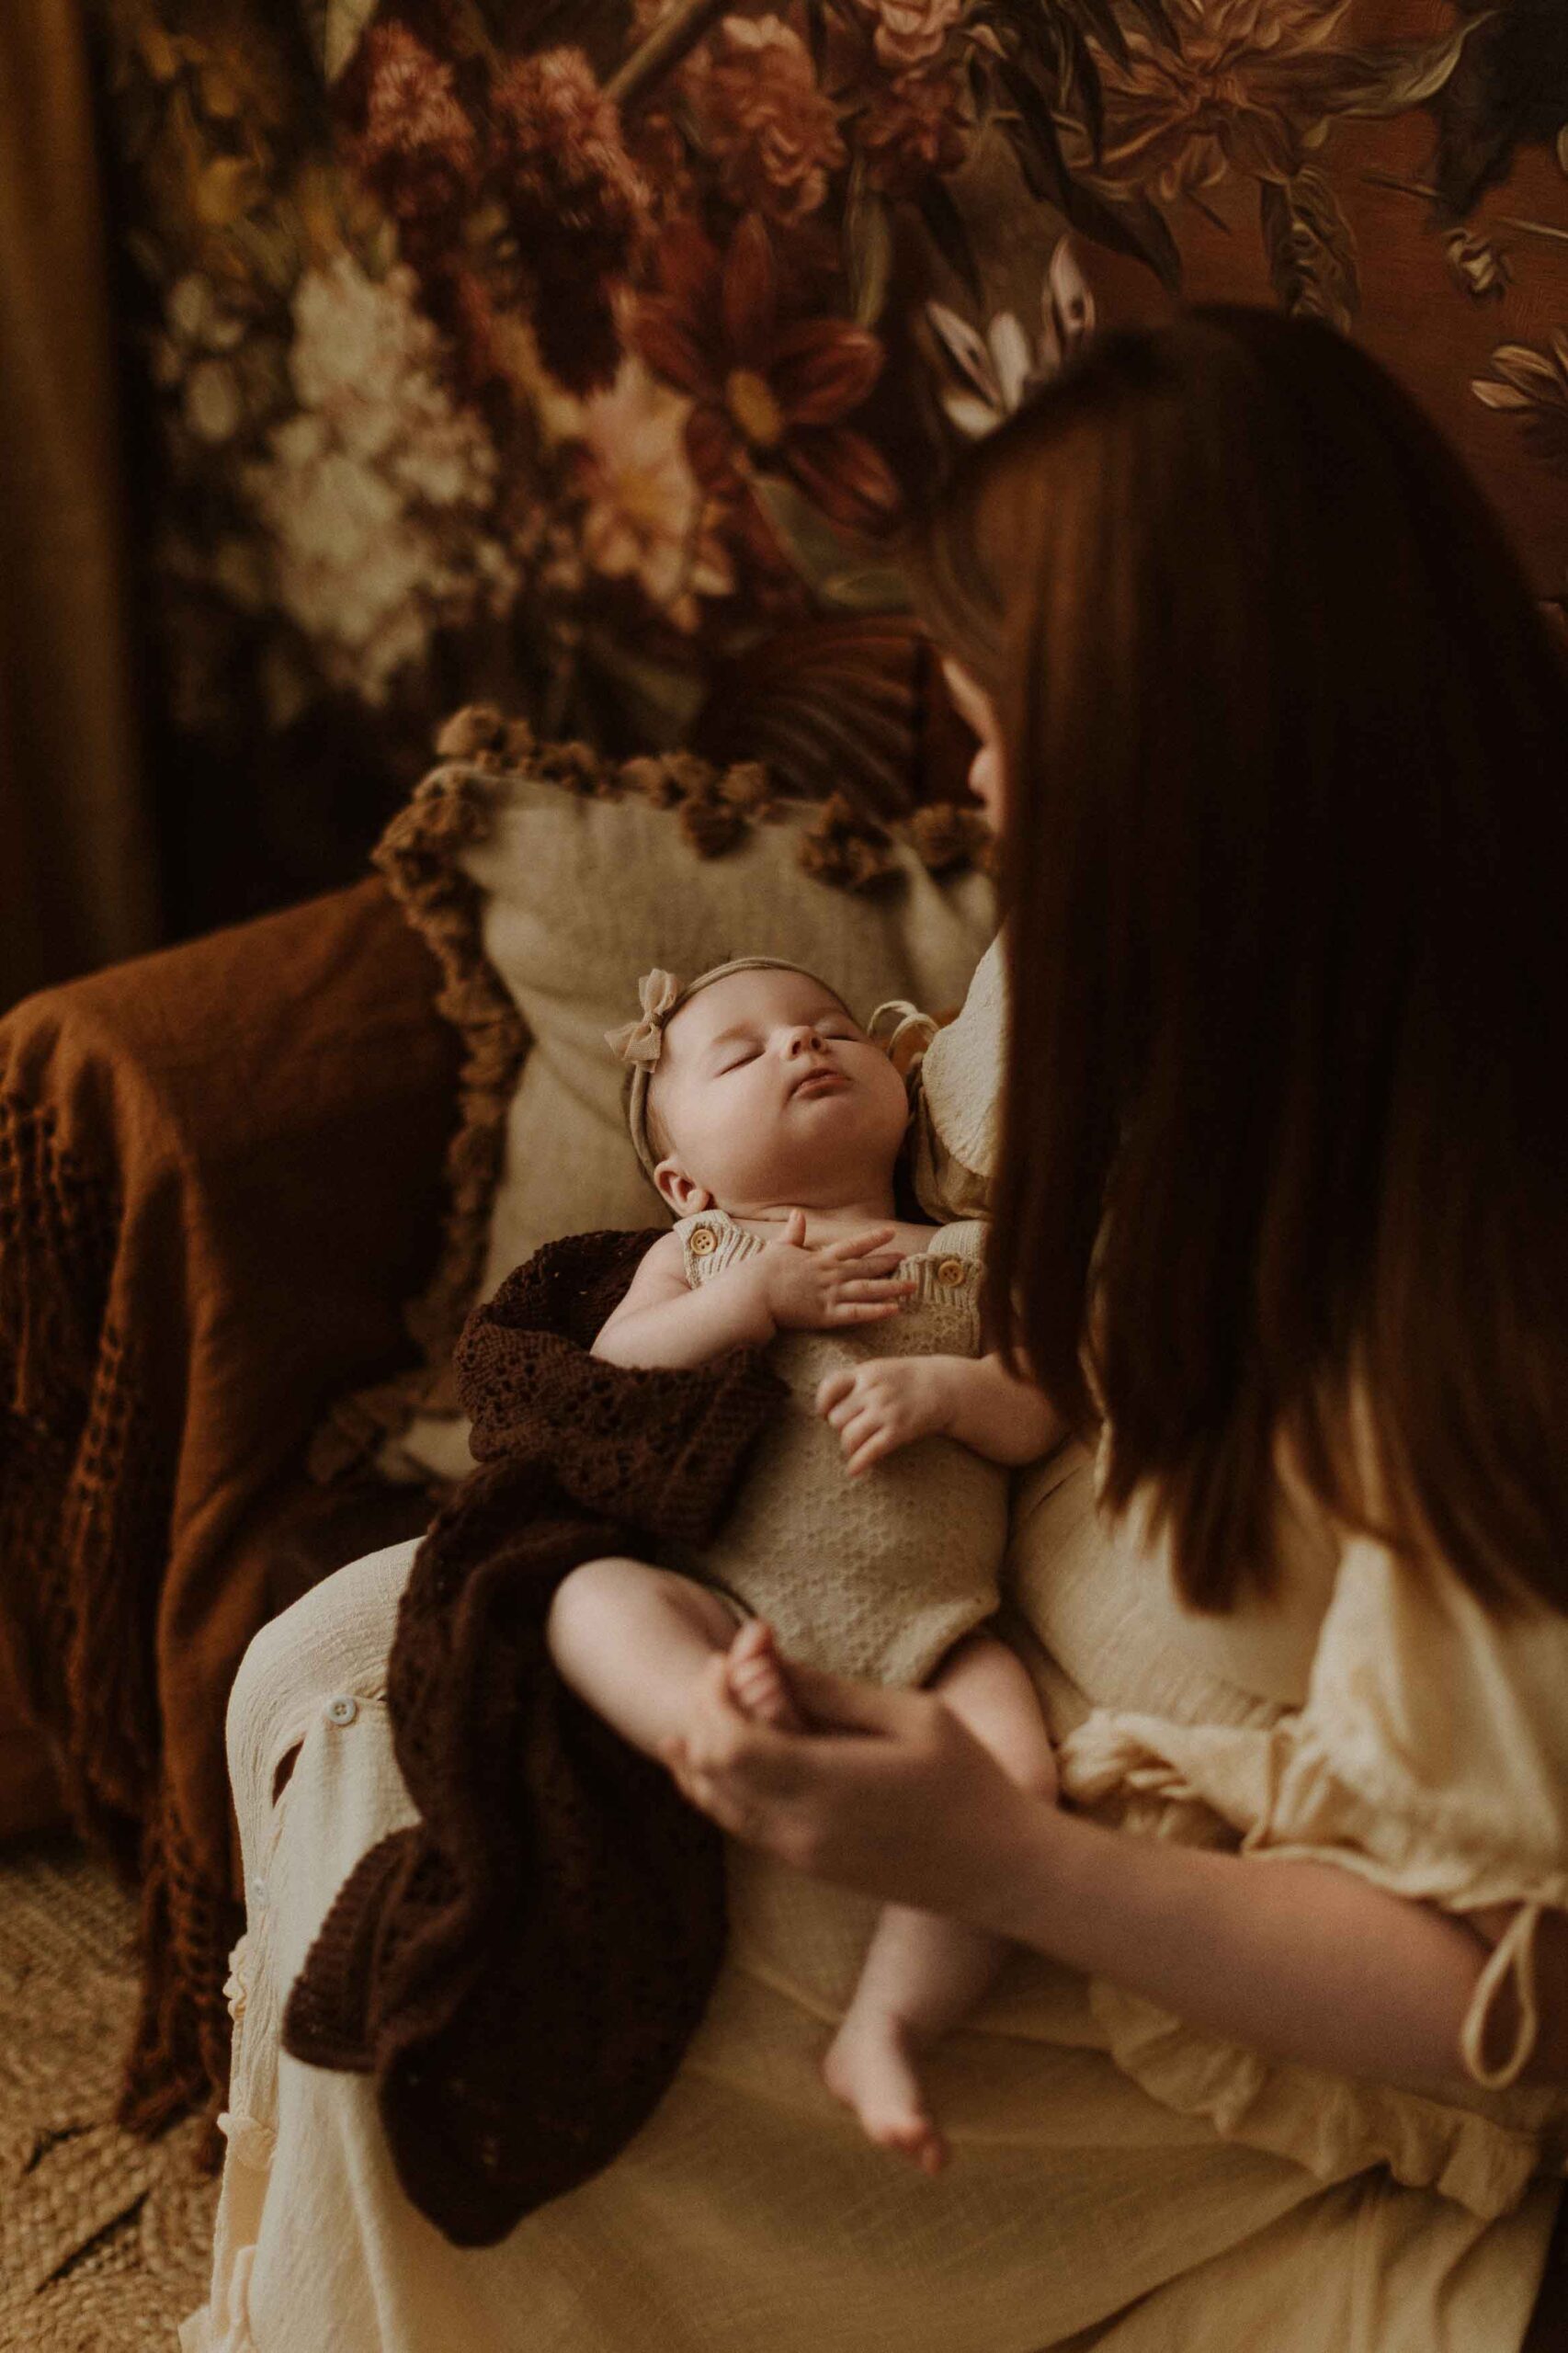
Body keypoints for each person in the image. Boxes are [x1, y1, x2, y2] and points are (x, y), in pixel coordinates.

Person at [188, 308, 1568, 2352]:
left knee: (436, 1938)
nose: (979, 789)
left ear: (1185, 743)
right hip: (932, 1618)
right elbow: (875, 1168)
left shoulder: (1465, 1277)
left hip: (1149, 1933)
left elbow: (1504, 1999)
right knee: (340, 1659)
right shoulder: (1108, 964)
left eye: (1006, 729)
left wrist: (999, 1856)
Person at [546, 954, 1061, 2174]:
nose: (802, 1045)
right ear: (683, 1181)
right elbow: (613, 1377)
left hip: (933, 1632)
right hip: (726, 1600)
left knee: (1018, 1785)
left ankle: (885, 2025)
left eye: (830, 1028)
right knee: (589, 1600)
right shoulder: (707, 1251)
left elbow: (1035, 1410)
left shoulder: (970, 1253)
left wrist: (954, 1394)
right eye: (743, 1053)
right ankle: (709, 1722)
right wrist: (753, 1301)